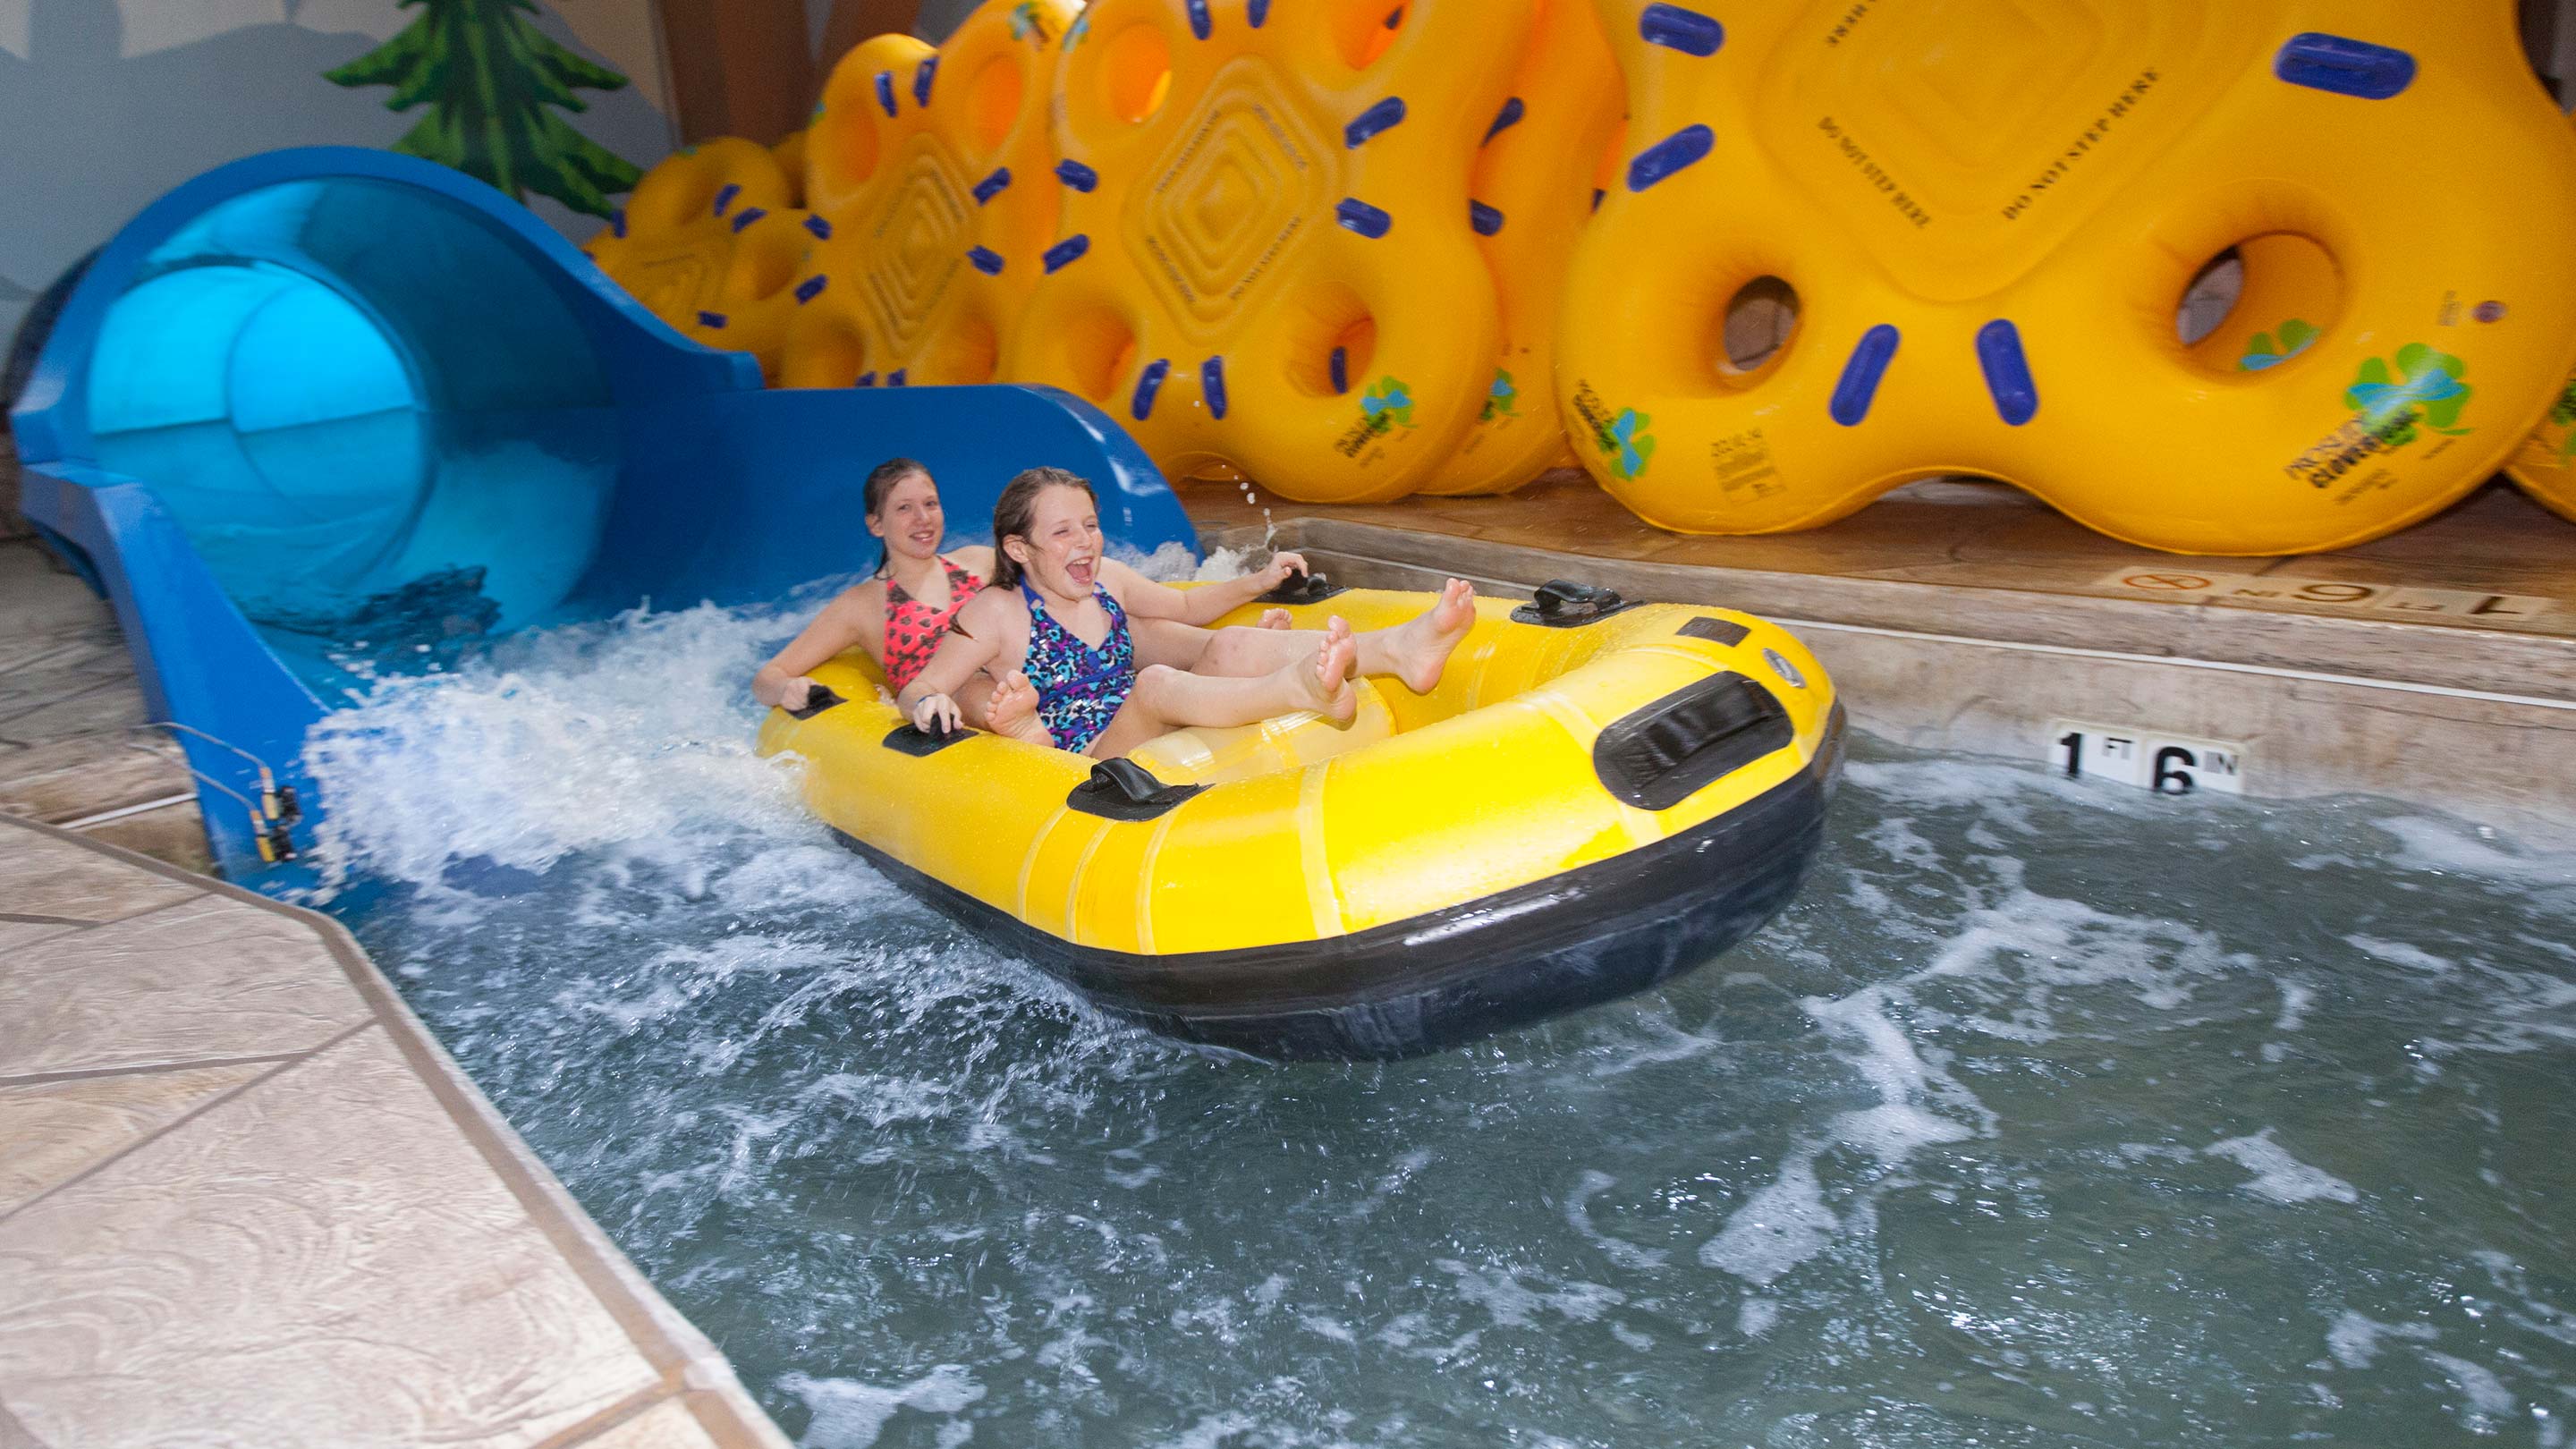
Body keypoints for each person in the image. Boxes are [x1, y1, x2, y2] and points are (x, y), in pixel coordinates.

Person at [898, 467, 1479, 759]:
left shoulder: (1109, 583)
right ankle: (1298, 689)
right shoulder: (996, 613)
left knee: (1224, 645)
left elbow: (1185, 605)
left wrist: (1257, 580)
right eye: (1063, 531)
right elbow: (921, 683)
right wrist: (933, 702)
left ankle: (1400, 647)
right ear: (1018, 549)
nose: (1086, 542)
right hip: (1085, 752)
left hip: (1139, 720)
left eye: (1092, 526)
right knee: (1152, 683)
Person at [751, 457, 999, 716]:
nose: (923, 518)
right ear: (876, 524)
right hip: (954, 705)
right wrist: (786, 688)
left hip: (1013, 678)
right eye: (904, 508)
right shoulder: (861, 605)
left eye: (930, 504)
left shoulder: (981, 562)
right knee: (976, 692)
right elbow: (767, 678)